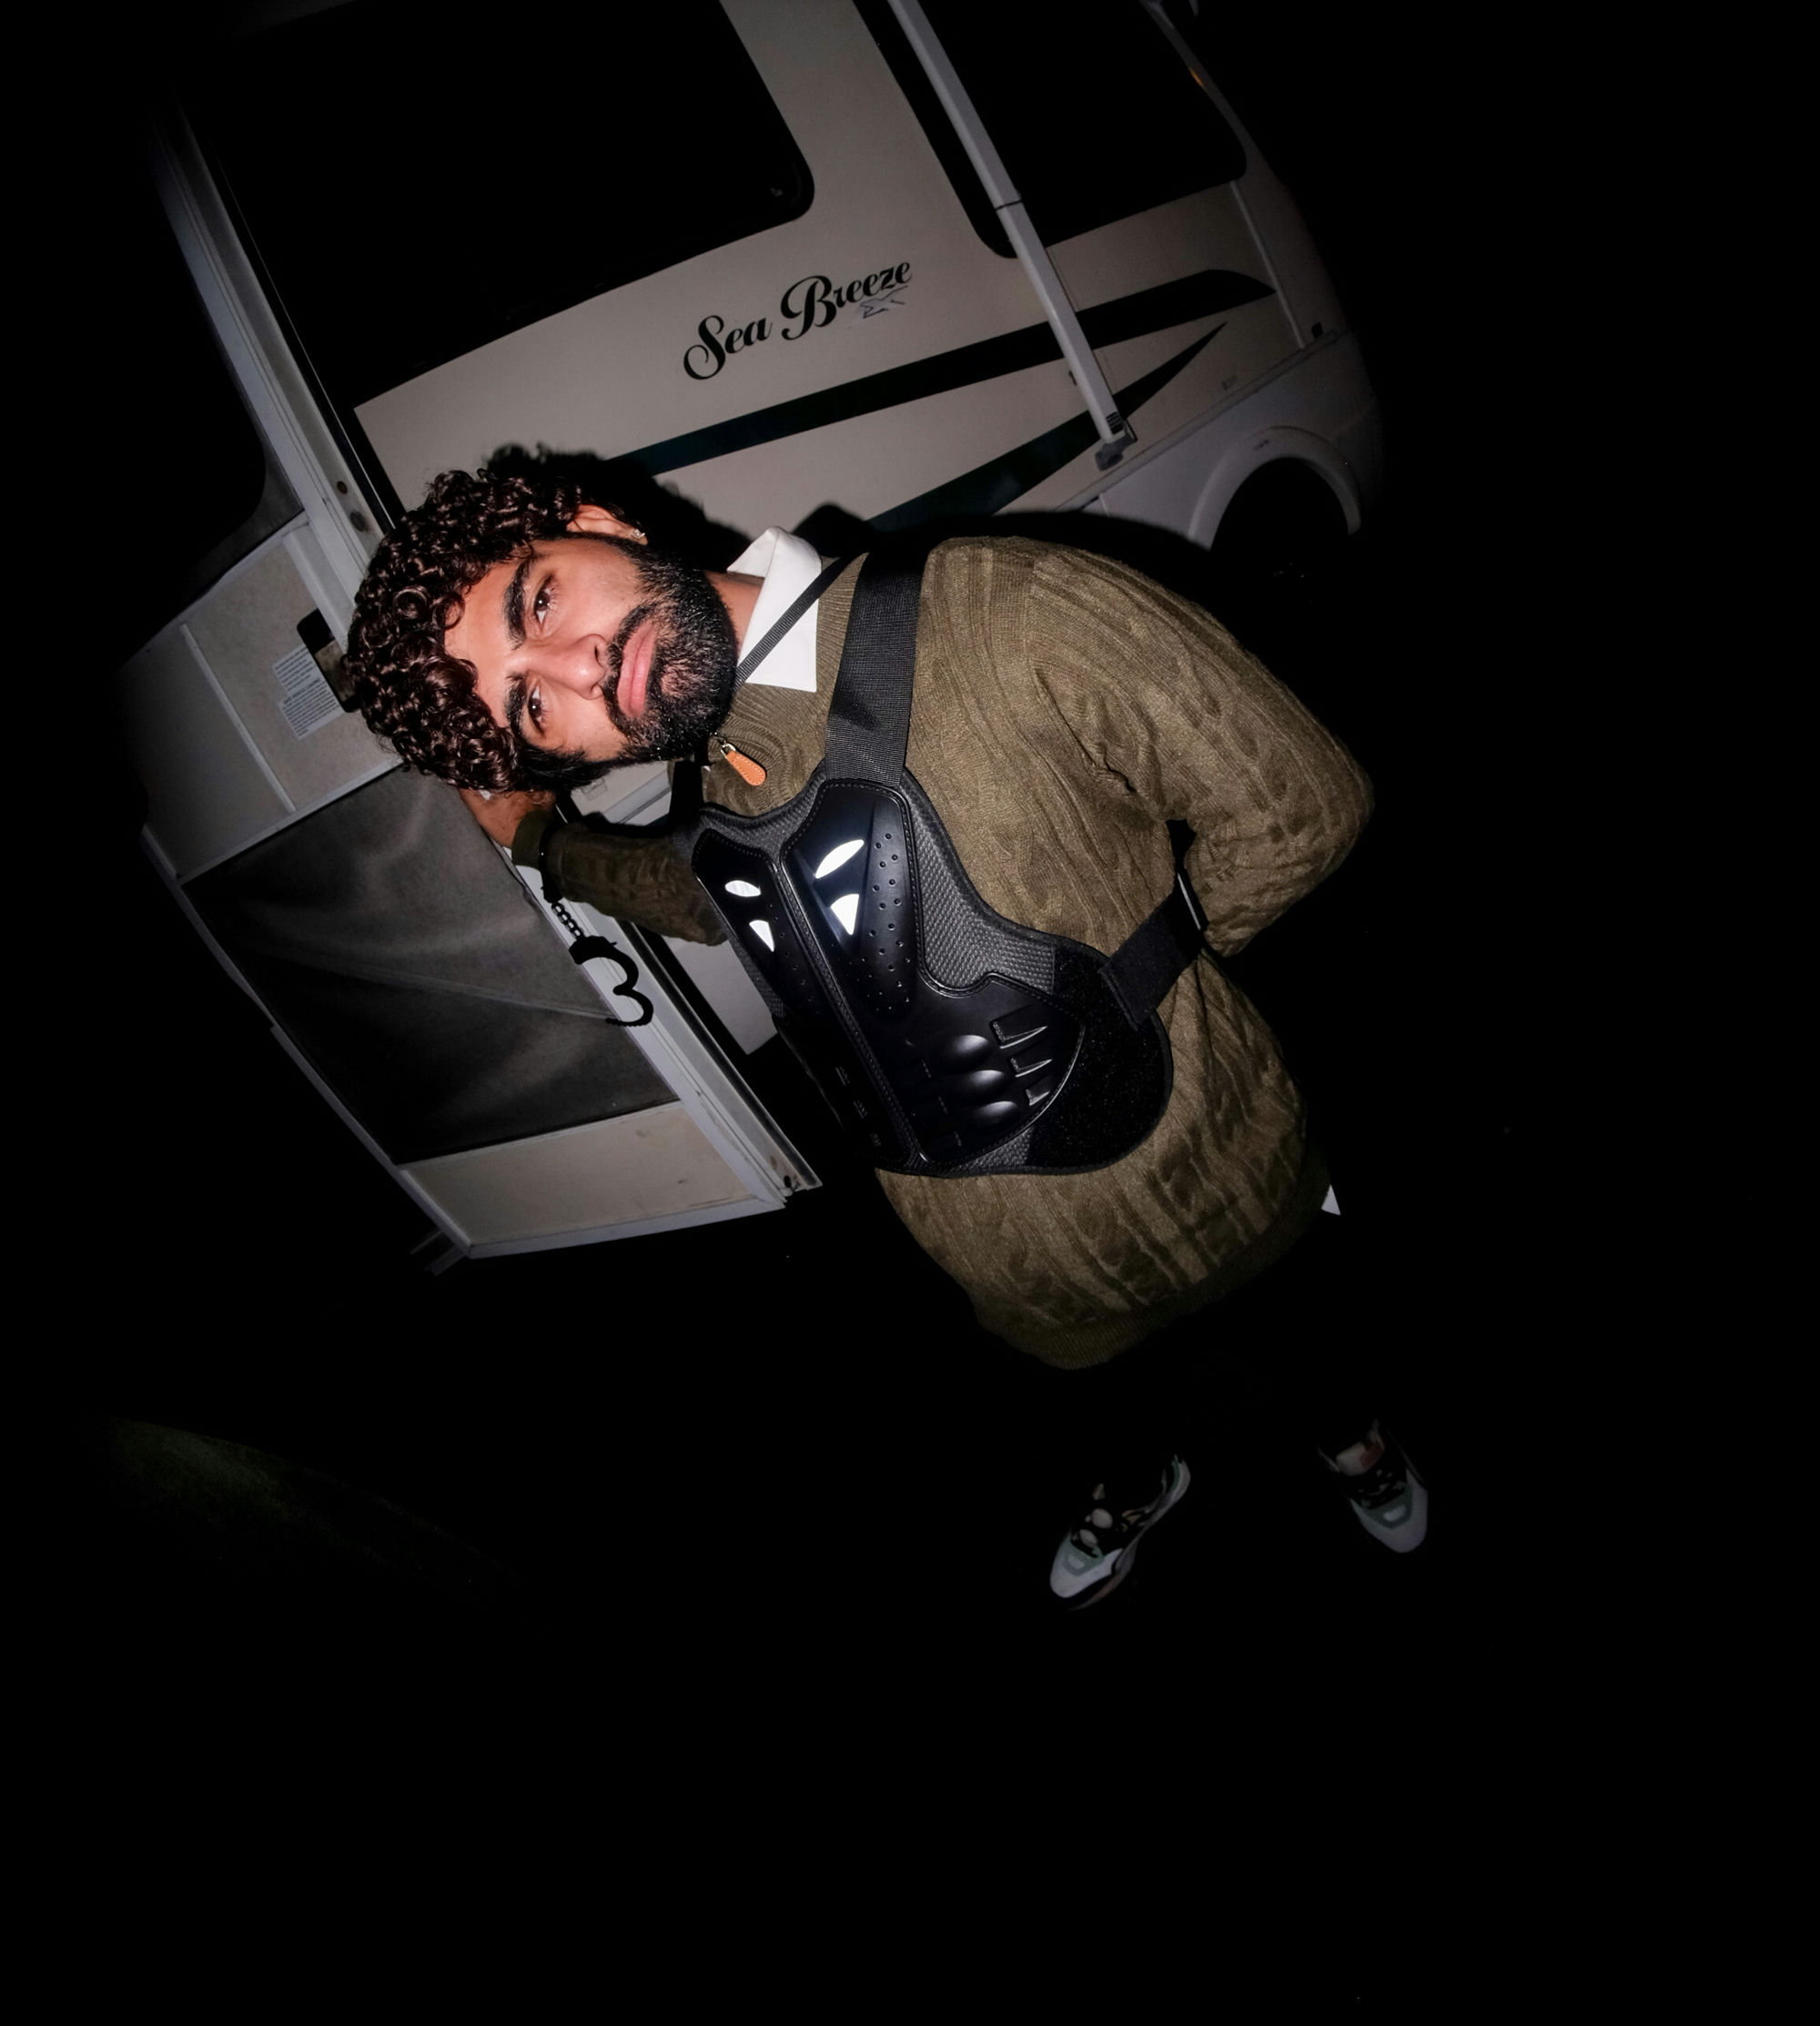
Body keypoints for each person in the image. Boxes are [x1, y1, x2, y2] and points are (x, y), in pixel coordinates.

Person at [347, 461, 1428, 1605]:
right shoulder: (720, 782)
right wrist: (540, 843)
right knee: (1099, 1402)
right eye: (529, 705)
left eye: (539, 602)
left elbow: (1299, 804)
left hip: (1220, 1165)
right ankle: (1134, 1480)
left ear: (596, 524)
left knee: (1302, 1336)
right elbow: (699, 895)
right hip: (1015, 1273)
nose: (577, 669)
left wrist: (1147, 973)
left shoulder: (997, 609)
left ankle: (1353, 1444)